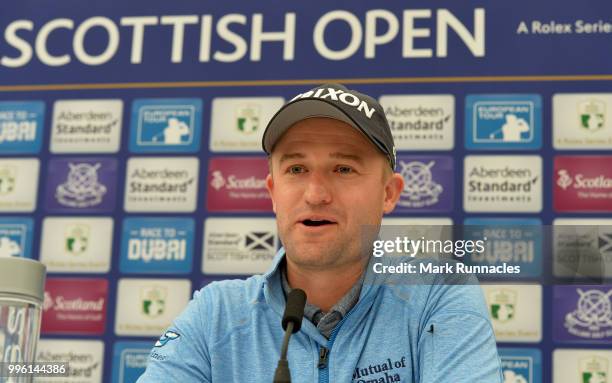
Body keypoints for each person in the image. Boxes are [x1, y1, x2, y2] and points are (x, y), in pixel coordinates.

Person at [137, 83, 502, 382]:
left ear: (388, 193)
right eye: (296, 169)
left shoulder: (437, 295)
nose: (315, 194)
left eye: (343, 169)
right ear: (273, 192)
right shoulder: (215, 313)